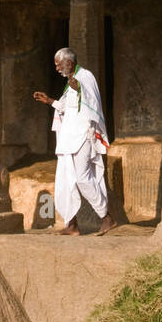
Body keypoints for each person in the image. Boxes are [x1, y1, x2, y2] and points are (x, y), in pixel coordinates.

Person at [33, 47, 115, 236]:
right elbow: (68, 108)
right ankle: (72, 225)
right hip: (68, 140)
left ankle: (106, 217)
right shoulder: (69, 84)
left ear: (68, 63)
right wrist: (50, 101)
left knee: (82, 178)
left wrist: (80, 89)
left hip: (82, 138)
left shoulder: (85, 77)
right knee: (66, 180)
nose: (57, 68)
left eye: (58, 64)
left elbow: (92, 103)